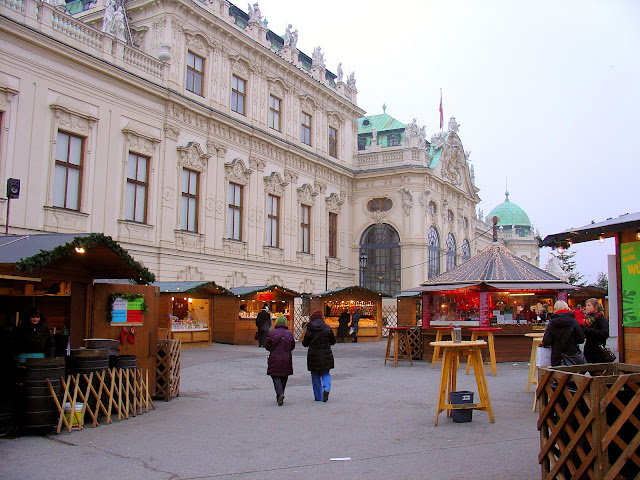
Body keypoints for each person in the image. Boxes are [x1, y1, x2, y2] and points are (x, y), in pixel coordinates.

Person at [302, 309, 335, 402]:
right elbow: (333, 341)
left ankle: (318, 396)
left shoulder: (310, 328)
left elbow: (305, 342)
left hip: (313, 355)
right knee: (325, 373)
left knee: (315, 375)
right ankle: (326, 388)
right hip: (325, 354)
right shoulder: (327, 327)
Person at [542, 300, 585, 366]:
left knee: (558, 375)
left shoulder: (552, 323)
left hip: (557, 356)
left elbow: (546, 341)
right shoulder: (573, 321)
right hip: (572, 355)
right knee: (574, 375)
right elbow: (581, 339)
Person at [264, 315, 295, 406]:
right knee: (284, 376)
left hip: (274, 357)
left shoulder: (272, 333)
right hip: (286, 357)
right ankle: (280, 394)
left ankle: (280, 393)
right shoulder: (289, 333)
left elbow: (267, 345)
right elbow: (292, 346)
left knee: (275, 375)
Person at [582, 298, 610, 363]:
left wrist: (589, 330)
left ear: (595, 307)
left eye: (589, 305)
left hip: (597, 351)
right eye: (586, 305)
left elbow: (605, 334)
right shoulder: (588, 319)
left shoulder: (601, 319)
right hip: (589, 350)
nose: (586, 307)